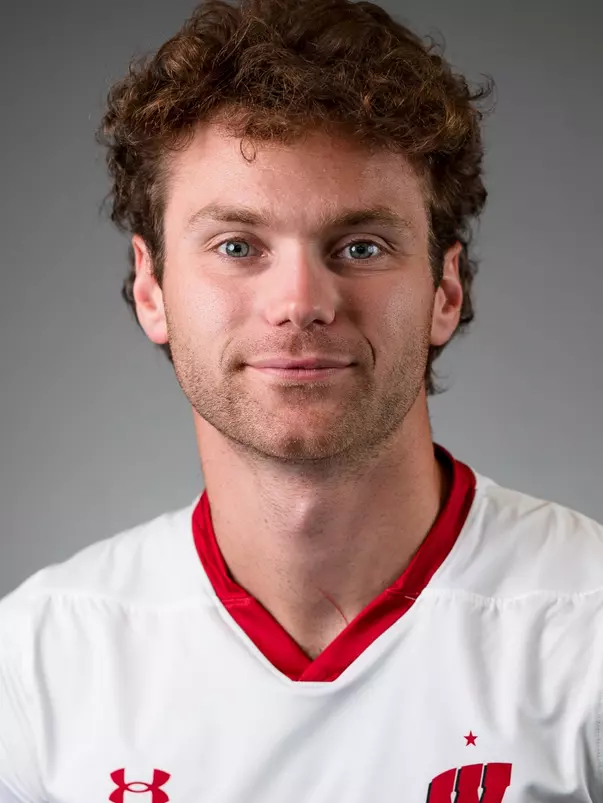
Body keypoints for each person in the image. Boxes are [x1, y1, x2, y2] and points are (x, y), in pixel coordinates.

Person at [1, 0, 602, 800]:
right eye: (237, 246)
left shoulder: (585, 630)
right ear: (151, 288)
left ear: (444, 290)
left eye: (360, 246)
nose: (300, 301)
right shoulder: (40, 661)